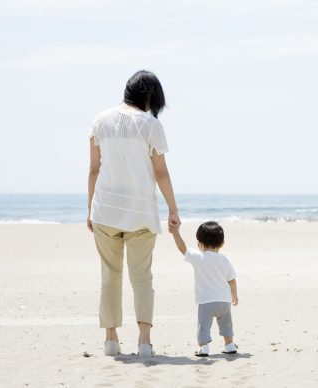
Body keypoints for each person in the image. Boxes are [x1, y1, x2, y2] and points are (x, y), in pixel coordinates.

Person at [87, 70, 180, 358]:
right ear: (150, 96)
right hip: (141, 212)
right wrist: (173, 209)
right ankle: (144, 342)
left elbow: (94, 168)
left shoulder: (100, 120)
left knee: (109, 276)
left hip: (106, 210)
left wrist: (90, 208)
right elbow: (161, 172)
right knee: (142, 278)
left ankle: (111, 340)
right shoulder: (150, 125)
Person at [169, 221, 239, 356]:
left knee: (204, 325)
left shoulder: (198, 257)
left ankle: (204, 347)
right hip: (224, 302)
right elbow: (232, 280)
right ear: (222, 243)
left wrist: (175, 233)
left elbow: (182, 248)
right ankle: (229, 344)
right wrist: (234, 295)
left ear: (199, 244)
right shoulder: (224, 259)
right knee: (226, 324)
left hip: (206, 301)